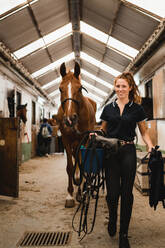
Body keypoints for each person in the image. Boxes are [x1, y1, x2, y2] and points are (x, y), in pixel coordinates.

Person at [99, 72, 154, 248]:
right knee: (112, 194)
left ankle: (124, 233)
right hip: (111, 153)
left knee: (127, 194)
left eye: (123, 86)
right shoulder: (108, 108)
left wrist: (150, 146)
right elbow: (103, 130)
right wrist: (96, 136)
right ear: (115, 87)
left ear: (130, 87)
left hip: (128, 150)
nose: (120, 89)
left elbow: (144, 131)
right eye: (117, 86)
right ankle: (113, 216)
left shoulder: (137, 108)